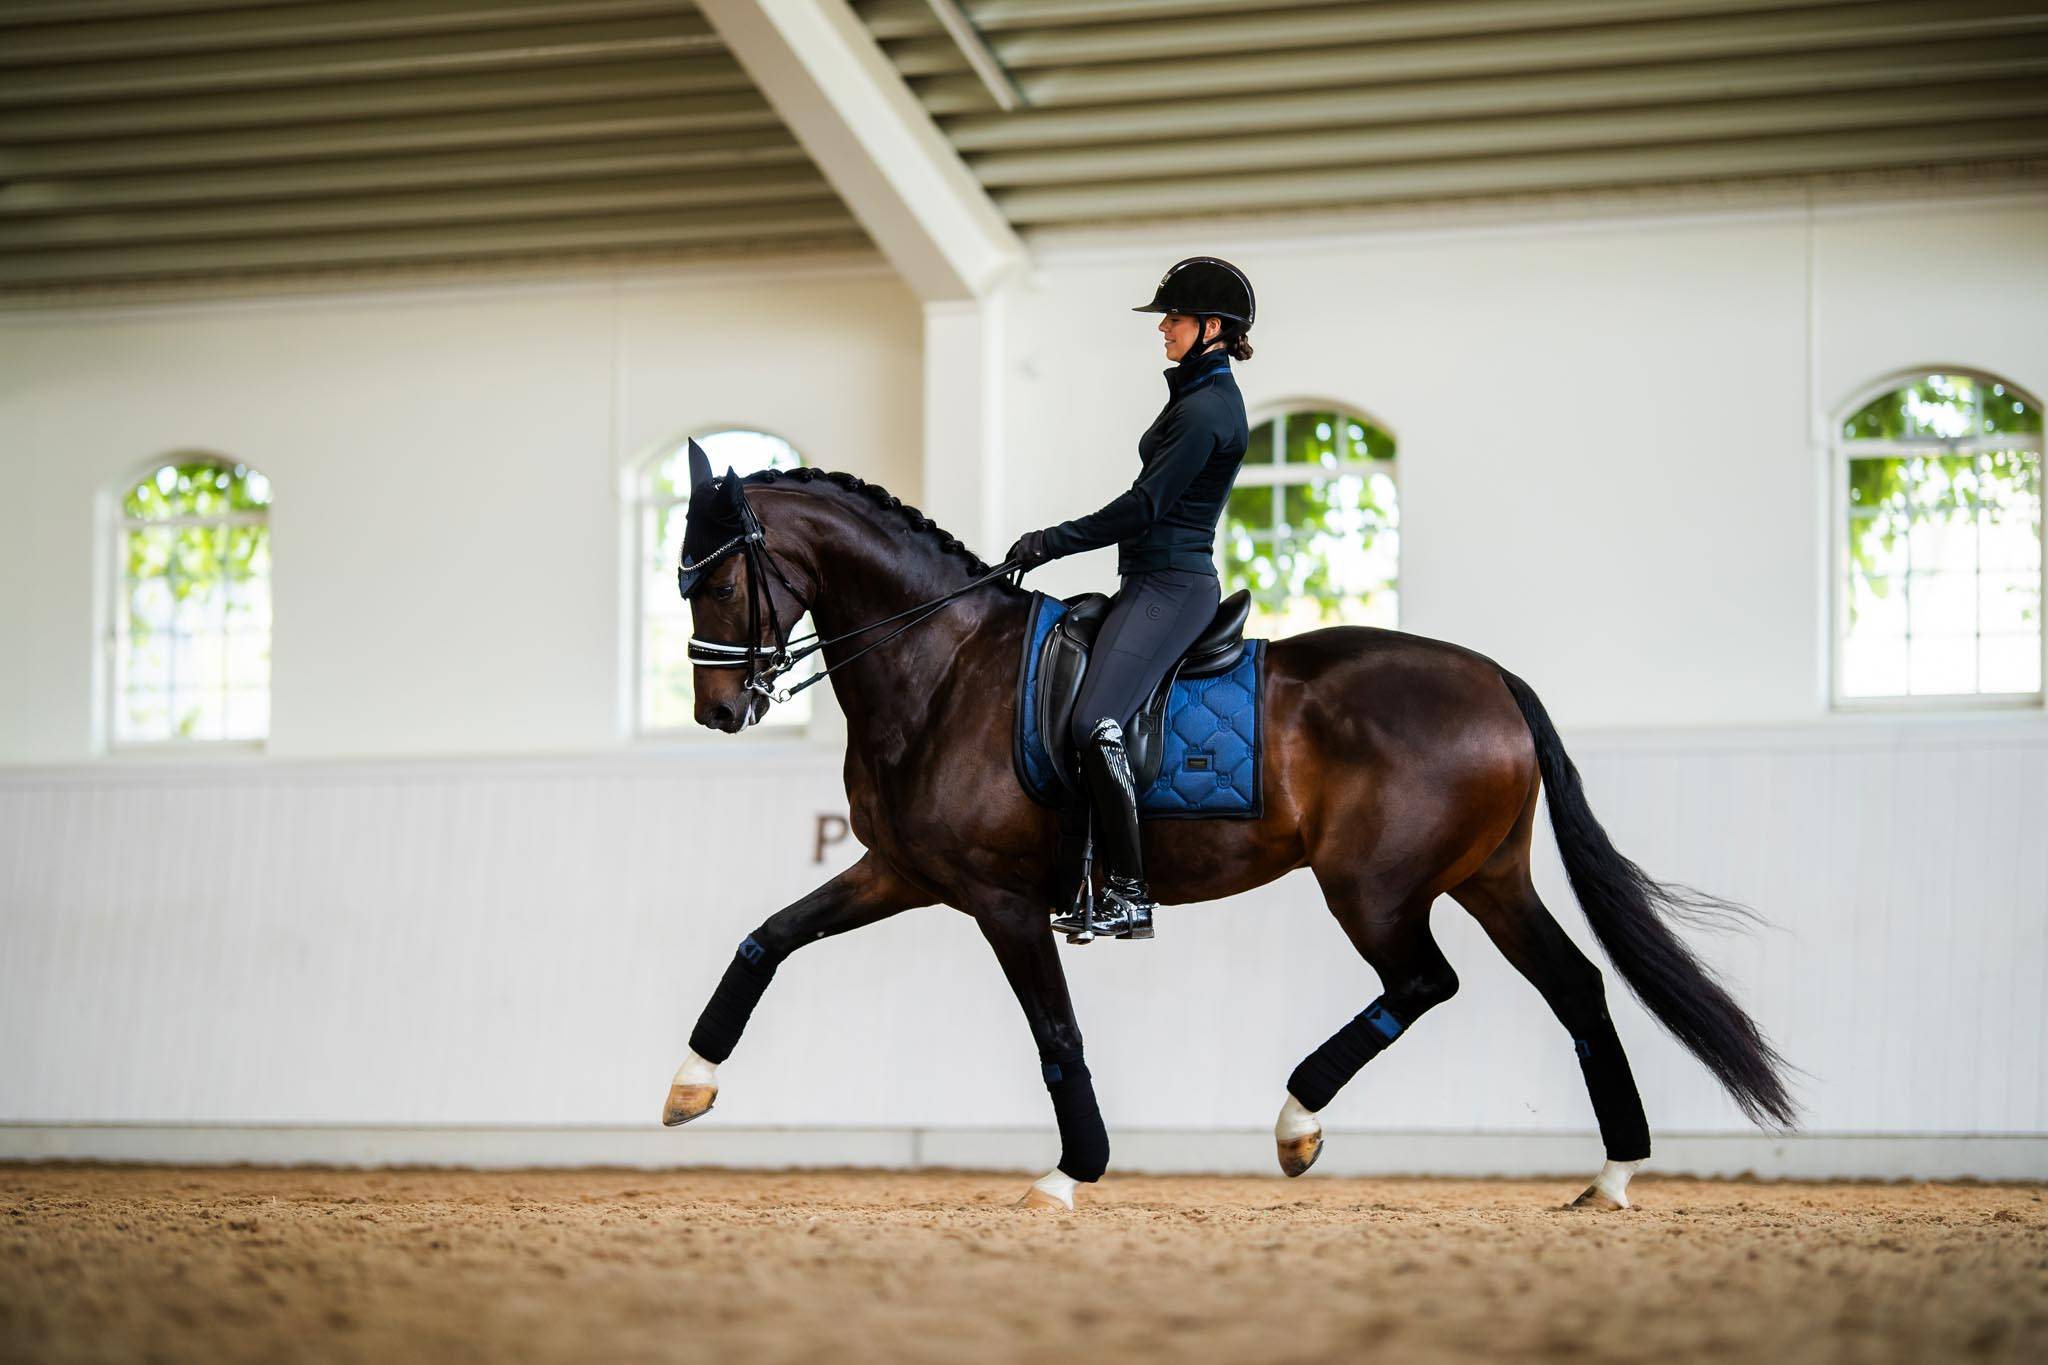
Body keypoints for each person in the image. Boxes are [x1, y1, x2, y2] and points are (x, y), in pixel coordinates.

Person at [1005, 256, 1254, 942]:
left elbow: (1146, 506)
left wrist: (1050, 541)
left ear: (1211, 327)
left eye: (1173, 317)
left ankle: (1128, 890)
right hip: (1149, 580)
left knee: (1095, 721)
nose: (1164, 329)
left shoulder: (1206, 409)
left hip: (1172, 586)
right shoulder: (1194, 396)